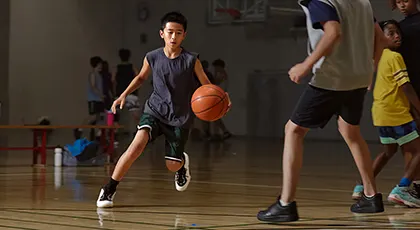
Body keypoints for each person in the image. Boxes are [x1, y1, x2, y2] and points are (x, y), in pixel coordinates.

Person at [257, 0, 385, 223]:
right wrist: (370, 70)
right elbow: (381, 39)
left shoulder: (321, 1)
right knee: (350, 131)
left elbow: (333, 32)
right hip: (358, 77)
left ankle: (286, 203)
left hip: (332, 78)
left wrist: (305, 65)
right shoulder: (363, 3)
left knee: (294, 130)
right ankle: (371, 196)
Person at [96, 11, 230, 208]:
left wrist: (223, 99)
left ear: (184, 35)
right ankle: (109, 189)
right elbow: (141, 77)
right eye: (170, 32)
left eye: (178, 33)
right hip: (155, 110)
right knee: (136, 146)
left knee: (172, 165)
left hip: (180, 117)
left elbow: (207, 86)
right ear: (162, 34)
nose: (173, 37)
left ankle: (181, 165)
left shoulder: (192, 60)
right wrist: (123, 94)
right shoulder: (152, 57)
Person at [351, 20, 420, 207]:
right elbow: (406, 86)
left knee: (388, 151)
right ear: (380, 37)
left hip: (380, 113)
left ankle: (361, 186)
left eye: (397, 32)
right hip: (395, 112)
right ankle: (403, 189)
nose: (397, 36)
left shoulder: (378, 58)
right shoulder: (395, 57)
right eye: (391, 33)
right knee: (418, 150)